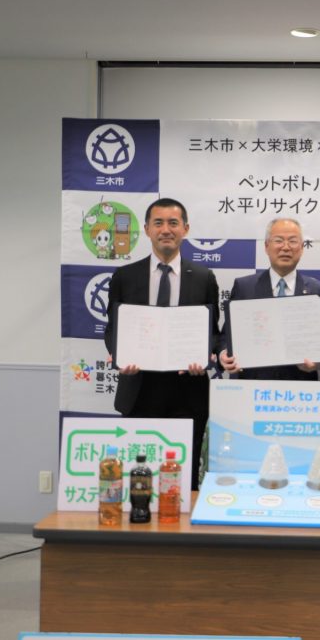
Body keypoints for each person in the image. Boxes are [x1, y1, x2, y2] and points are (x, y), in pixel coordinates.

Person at [104, 197, 220, 489]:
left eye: (173, 223)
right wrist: (118, 353)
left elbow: (213, 332)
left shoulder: (204, 277)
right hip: (139, 389)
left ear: (185, 229)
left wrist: (206, 354)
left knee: (185, 477)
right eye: (158, 223)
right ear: (146, 229)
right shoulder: (124, 276)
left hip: (188, 392)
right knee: (139, 473)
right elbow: (113, 328)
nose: (166, 229)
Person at [219, 218, 320, 380]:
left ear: (302, 248)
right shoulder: (244, 287)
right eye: (279, 240)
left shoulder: (319, 291)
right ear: (266, 246)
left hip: (301, 385)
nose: (286, 247)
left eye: (293, 241)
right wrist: (224, 353)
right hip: (252, 385)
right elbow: (227, 335)